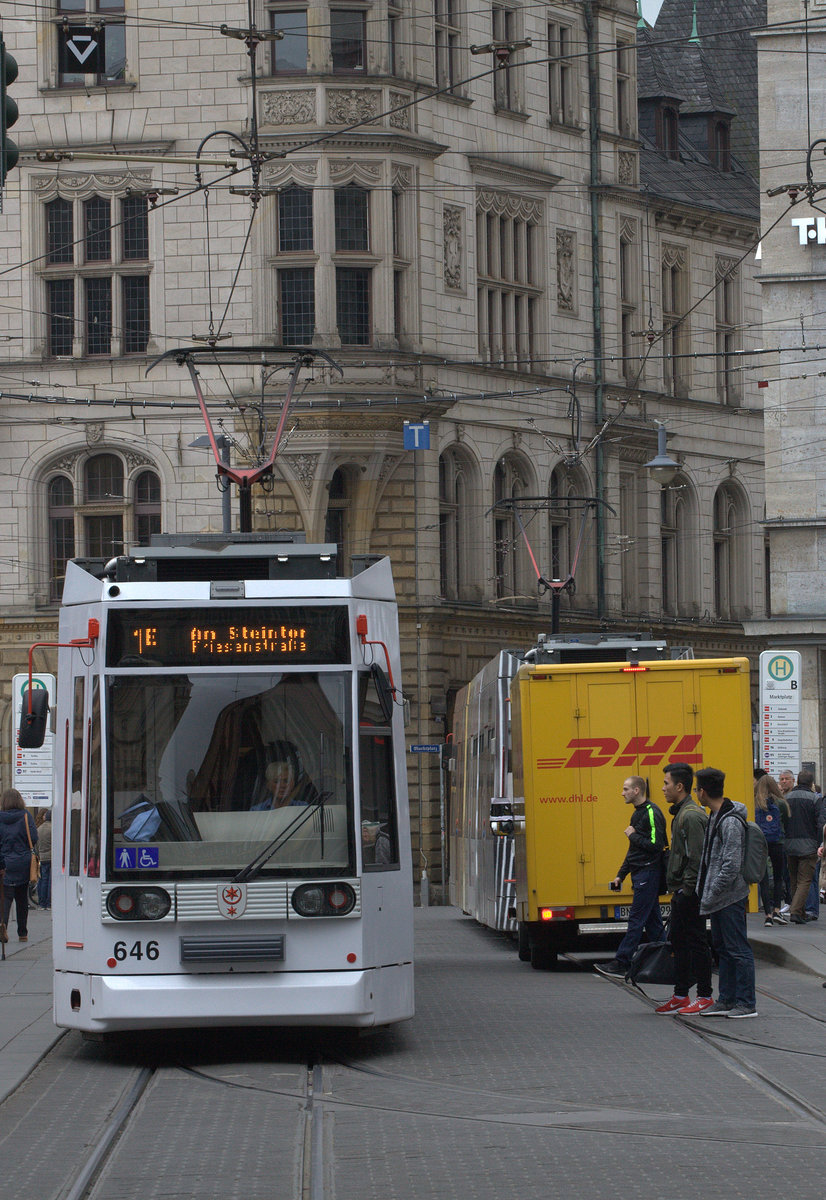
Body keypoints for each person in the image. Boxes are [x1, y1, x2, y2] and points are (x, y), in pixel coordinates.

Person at [695, 766, 757, 1019]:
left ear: (704, 791)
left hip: (729, 897)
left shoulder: (729, 821)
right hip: (719, 898)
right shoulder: (715, 815)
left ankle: (746, 1003)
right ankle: (727, 1000)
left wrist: (712, 891)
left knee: (737, 949)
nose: (696, 793)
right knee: (723, 949)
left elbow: (730, 864)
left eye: (697, 789)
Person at [655, 762, 715, 1016]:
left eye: (666, 783)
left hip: (689, 892)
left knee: (696, 941)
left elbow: (697, 858)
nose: (663, 788)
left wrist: (687, 891)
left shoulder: (690, 816)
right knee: (679, 941)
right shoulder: (681, 814)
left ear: (680, 786)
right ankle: (681, 995)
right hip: (682, 890)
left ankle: (705, 995)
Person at [595, 776, 667, 979]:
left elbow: (656, 845)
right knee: (653, 924)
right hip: (641, 873)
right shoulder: (637, 815)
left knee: (636, 920)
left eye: (626, 789)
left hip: (648, 873)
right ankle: (668, 960)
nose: (622, 792)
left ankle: (622, 961)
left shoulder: (651, 813)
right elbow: (634, 850)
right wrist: (621, 875)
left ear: (637, 790)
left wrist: (632, 835)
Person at [0, 789, 38, 943]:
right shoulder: (25, 815)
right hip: (23, 862)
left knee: (5, 898)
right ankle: (23, 933)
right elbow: (34, 837)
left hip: (4, 862)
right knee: (22, 899)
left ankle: (3, 924)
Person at [784, 769, 820, 923]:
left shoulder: (787, 798)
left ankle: (800, 911)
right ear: (811, 783)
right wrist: (818, 843)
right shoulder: (814, 799)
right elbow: (819, 823)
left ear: (797, 781)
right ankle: (796, 911)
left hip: (789, 843)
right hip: (808, 844)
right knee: (805, 880)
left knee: (793, 879)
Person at [754, 775, 787, 926]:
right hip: (778, 842)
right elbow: (786, 822)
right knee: (779, 876)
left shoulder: (755, 802)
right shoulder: (780, 803)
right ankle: (777, 911)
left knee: (764, 879)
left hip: (761, 843)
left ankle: (767, 914)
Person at [252, 741, 318, 810]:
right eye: (276, 781)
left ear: (292, 783)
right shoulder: (257, 810)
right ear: (268, 785)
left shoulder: (304, 808)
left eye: (286, 781)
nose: (282, 785)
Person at [35, 808, 52, 910]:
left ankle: (42, 903)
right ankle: (49, 903)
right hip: (51, 857)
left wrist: (39, 854)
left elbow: (36, 845)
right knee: (50, 880)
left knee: (42, 879)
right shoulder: (54, 829)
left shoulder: (39, 829)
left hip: (42, 857)